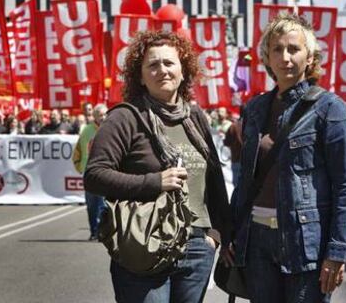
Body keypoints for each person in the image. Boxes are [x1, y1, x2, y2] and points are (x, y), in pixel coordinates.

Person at [84, 30, 231, 303]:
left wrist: (219, 233)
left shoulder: (195, 116)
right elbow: (94, 176)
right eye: (152, 65)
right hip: (144, 243)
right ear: (139, 76)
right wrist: (154, 182)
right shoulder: (125, 117)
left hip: (198, 245)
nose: (161, 70)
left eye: (169, 63)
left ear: (183, 71)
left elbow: (214, 179)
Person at [223, 13, 346, 303]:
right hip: (256, 242)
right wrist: (232, 231)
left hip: (305, 244)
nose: (285, 56)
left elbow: (345, 186)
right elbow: (246, 179)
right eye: (277, 49)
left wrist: (337, 250)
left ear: (310, 57)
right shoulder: (255, 108)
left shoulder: (329, 109)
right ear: (266, 58)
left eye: (294, 49)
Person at [73, 104, 108, 241]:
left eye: (105, 114)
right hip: (88, 173)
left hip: (105, 173)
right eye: (100, 115)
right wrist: (79, 166)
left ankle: (102, 231)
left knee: (103, 204)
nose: (103, 117)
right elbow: (77, 151)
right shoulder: (87, 131)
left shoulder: (112, 128)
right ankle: (93, 231)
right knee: (91, 205)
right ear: (94, 116)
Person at [223, 106, 244, 187]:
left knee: (236, 185)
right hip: (248, 161)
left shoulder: (233, 126)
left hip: (236, 159)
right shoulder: (252, 126)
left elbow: (226, 142)